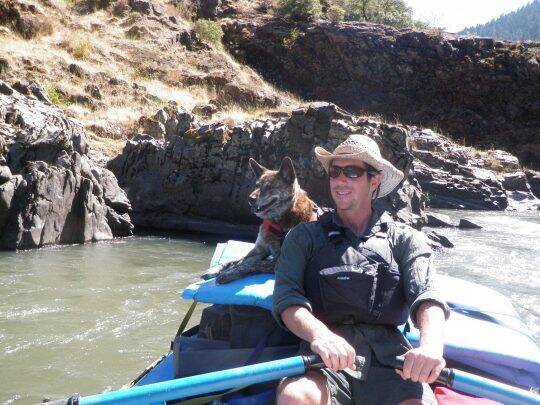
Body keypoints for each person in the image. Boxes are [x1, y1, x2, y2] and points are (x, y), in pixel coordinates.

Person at [272, 134, 450, 405]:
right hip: (325, 360)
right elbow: (287, 300)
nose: (340, 180)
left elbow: (428, 297)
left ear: (374, 180)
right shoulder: (303, 237)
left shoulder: (405, 239)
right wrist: (320, 335)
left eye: (352, 172)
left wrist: (431, 347)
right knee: (295, 396)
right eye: (335, 172)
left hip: (393, 363)